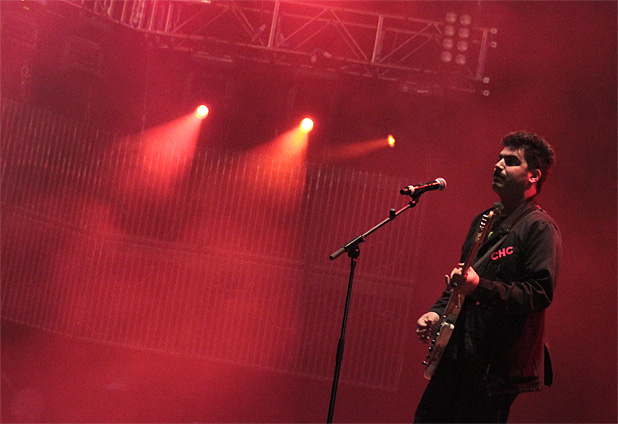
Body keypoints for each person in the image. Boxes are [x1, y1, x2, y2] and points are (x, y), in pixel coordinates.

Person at [414, 131, 562, 423]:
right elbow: (463, 280)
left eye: (510, 161)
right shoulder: (484, 220)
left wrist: (480, 287)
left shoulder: (539, 227)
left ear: (533, 175)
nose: (498, 165)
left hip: (494, 370)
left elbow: (539, 293)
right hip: (457, 356)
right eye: (498, 159)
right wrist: (437, 312)